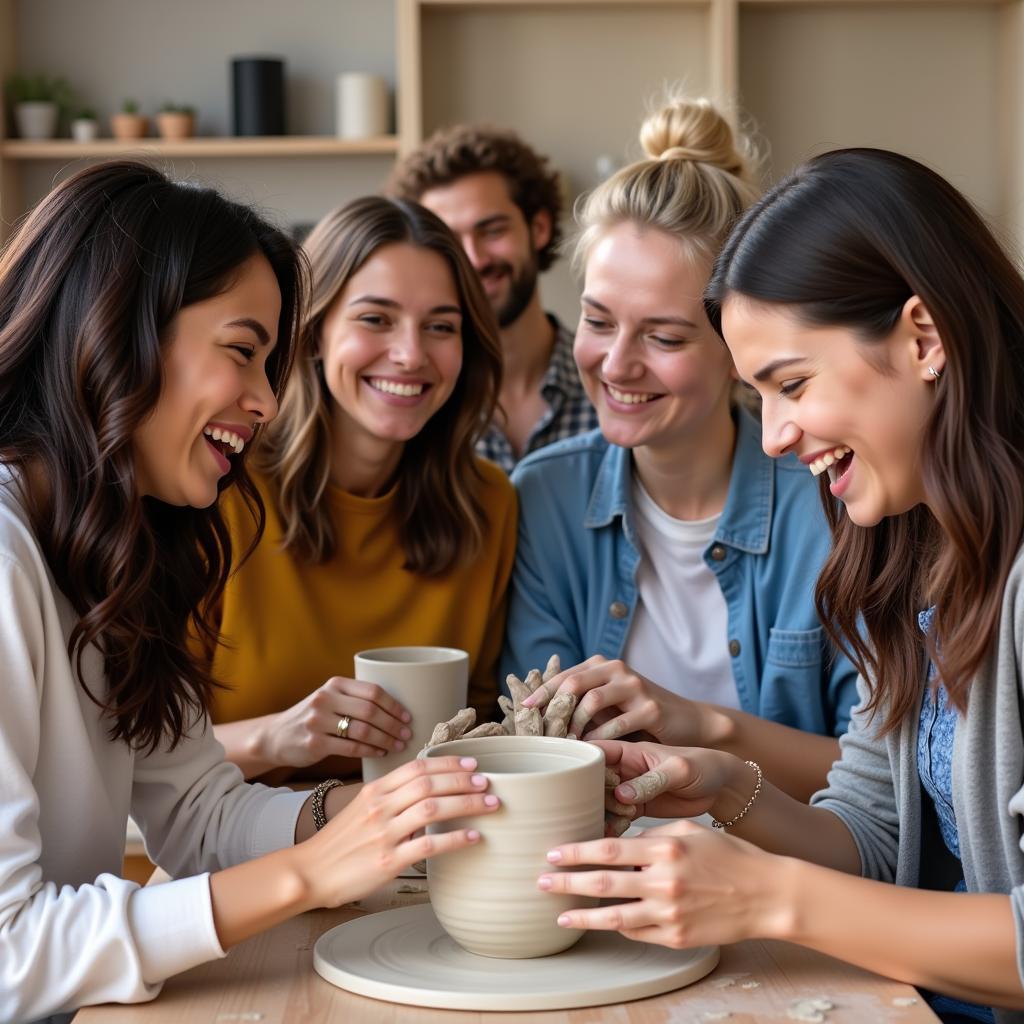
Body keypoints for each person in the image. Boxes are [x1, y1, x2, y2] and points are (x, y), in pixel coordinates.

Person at [0, 162, 499, 1023]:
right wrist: (312, 868)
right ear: (117, 329)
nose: (267, 399)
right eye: (242, 351)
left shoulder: (122, 541)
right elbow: (10, 953)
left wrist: (372, 815)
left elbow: (199, 812)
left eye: (270, 362)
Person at [537, 148, 1024, 1022]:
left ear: (924, 337)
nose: (773, 436)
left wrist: (766, 897)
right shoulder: (915, 549)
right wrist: (725, 787)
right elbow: (874, 837)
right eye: (760, 394)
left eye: (792, 384)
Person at [504, 97, 858, 803]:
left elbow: (886, 782)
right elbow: (536, 746)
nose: (615, 365)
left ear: (739, 350)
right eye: (598, 322)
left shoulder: (834, 501)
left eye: (663, 338)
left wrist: (703, 727)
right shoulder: (544, 496)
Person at [208, 196, 517, 782]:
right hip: (236, 847)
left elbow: (481, 722)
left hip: (418, 853)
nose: (410, 354)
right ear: (316, 332)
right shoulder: (218, 488)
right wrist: (275, 738)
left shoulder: (489, 503)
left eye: (441, 327)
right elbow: (137, 760)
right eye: (375, 319)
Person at [388, 124, 598, 473]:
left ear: (540, 228)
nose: (474, 258)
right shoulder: (413, 401)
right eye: (450, 239)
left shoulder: (612, 385)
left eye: (493, 230)